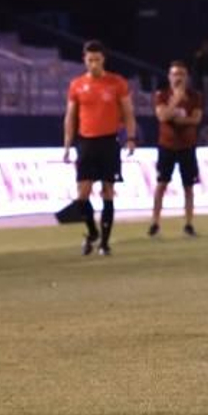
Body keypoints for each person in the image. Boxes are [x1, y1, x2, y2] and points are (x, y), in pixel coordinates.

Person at [63, 40, 138, 257]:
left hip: (109, 142)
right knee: (82, 194)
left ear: (103, 59)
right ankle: (92, 232)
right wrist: (67, 145)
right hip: (86, 142)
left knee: (108, 191)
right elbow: (70, 117)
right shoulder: (76, 85)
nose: (93, 64)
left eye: (97, 59)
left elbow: (128, 113)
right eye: (90, 60)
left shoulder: (117, 83)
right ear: (84, 60)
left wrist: (131, 138)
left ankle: (104, 243)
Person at [149, 60, 203, 238]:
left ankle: (189, 223)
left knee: (188, 186)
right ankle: (155, 223)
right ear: (169, 77)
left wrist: (177, 118)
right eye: (174, 74)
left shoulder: (195, 96)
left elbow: (195, 119)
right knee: (161, 184)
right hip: (167, 145)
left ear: (186, 77)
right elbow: (162, 116)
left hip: (187, 146)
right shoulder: (162, 95)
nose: (178, 78)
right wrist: (176, 101)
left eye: (181, 74)